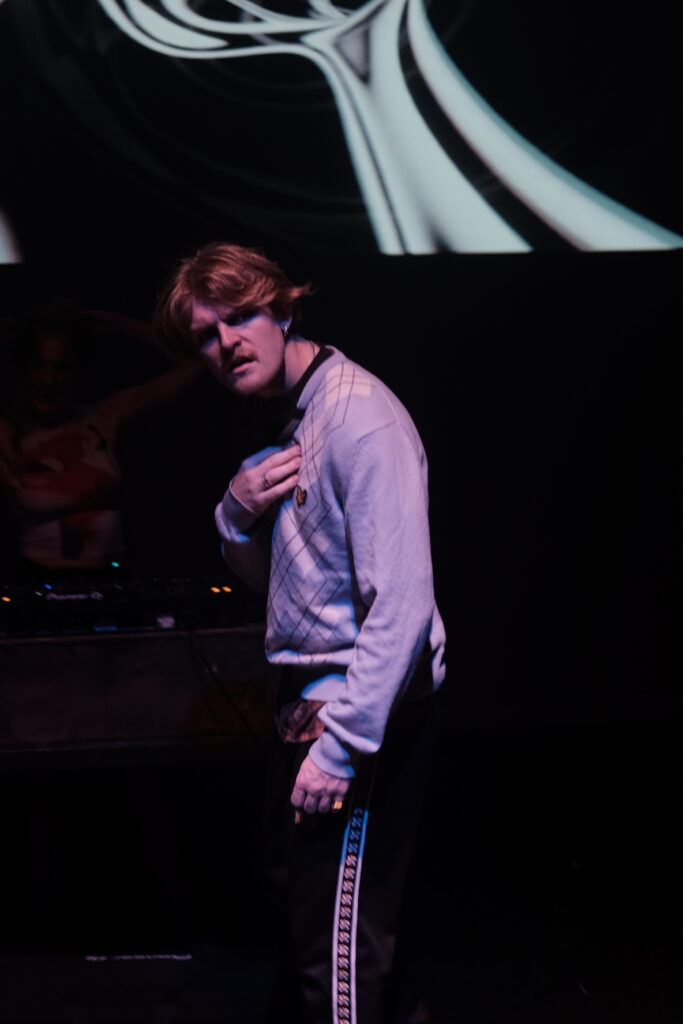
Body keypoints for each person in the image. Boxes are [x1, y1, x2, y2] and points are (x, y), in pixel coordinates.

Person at [155, 242, 447, 1024]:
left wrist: (343, 743)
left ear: (282, 308)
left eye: (239, 317)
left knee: (336, 954)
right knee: (324, 924)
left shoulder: (356, 417)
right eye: (206, 335)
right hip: (310, 704)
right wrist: (233, 515)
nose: (226, 345)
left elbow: (404, 602)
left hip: (357, 709)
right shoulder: (292, 414)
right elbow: (290, 588)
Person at [0, 301, 204, 578]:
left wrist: (112, 321)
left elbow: (194, 363)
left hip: (110, 580)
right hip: (33, 581)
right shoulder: (8, 432)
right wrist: (10, 335)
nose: (49, 380)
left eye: (62, 368)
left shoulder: (102, 417)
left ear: (77, 373)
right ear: (24, 370)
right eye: (39, 365)